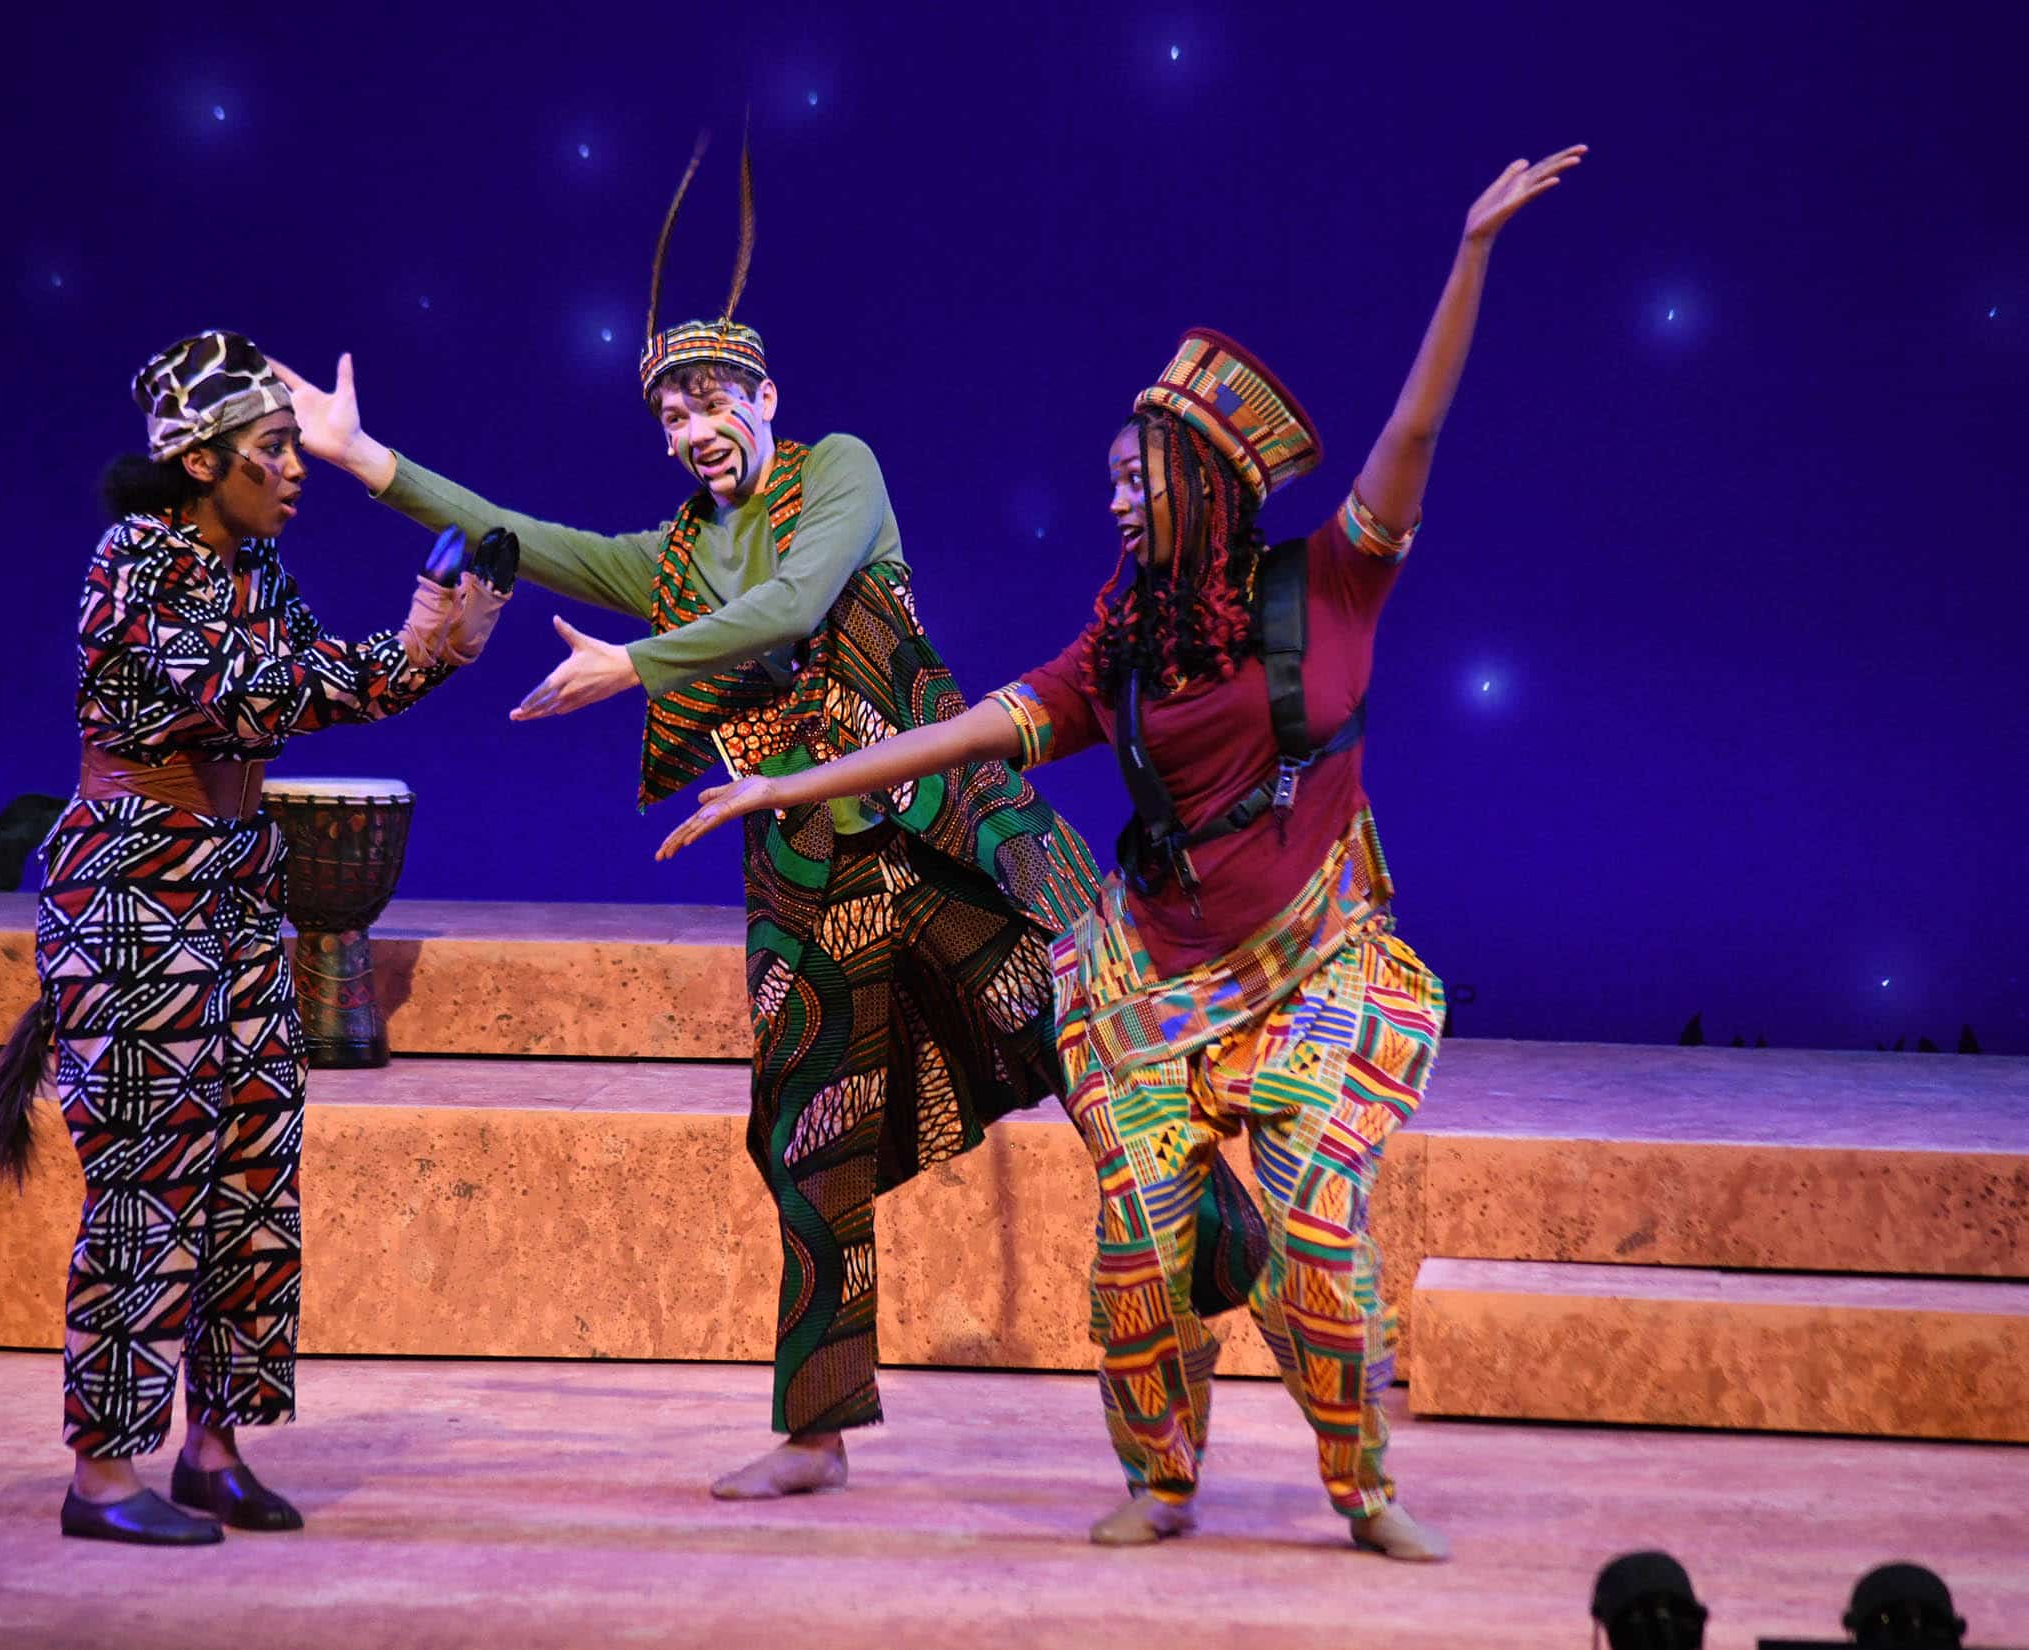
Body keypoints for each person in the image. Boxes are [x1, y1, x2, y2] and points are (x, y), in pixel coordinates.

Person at [658, 148, 1587, 1555]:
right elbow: (965, 732)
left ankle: (1363, 1487)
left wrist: (1470, 253)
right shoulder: (1123, 649)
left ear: (1204, 482)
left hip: (1316, 971)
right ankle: (1161, 1479)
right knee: (1141, 1242)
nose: (1113, 502)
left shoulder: (1330, 583)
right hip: (1150, 985)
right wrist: (785, 782)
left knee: (1317, 1235)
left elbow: (1416, 427)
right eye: (1108, 480)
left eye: (1132, 478)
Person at [274, 137, 1101, 1499]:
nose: (690, 429)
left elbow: (791, 604)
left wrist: (632, 665)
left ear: (766, 397)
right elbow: (518, 532)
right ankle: (818, 1431)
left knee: (1100, 1049)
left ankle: (1249, 1270)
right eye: (668, 414)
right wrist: (368, 459)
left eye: (711, 400)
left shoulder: (839, 472)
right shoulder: (669, 558)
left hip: (944, 826)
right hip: (804, 867)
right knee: (807, 1134)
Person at [0, 329, 518, 1546]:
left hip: (232, 882)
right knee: (150, 1178)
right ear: (201, 461)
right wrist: (409, 642)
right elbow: (250, 693)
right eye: (273, 448)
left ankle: (213, 1448)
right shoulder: (135, 563)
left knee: (252, 1178)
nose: (295, 468)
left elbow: (320, 678)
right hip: (135, 887)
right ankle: (102, 1475)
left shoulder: (255, 566)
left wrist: (438, 646)